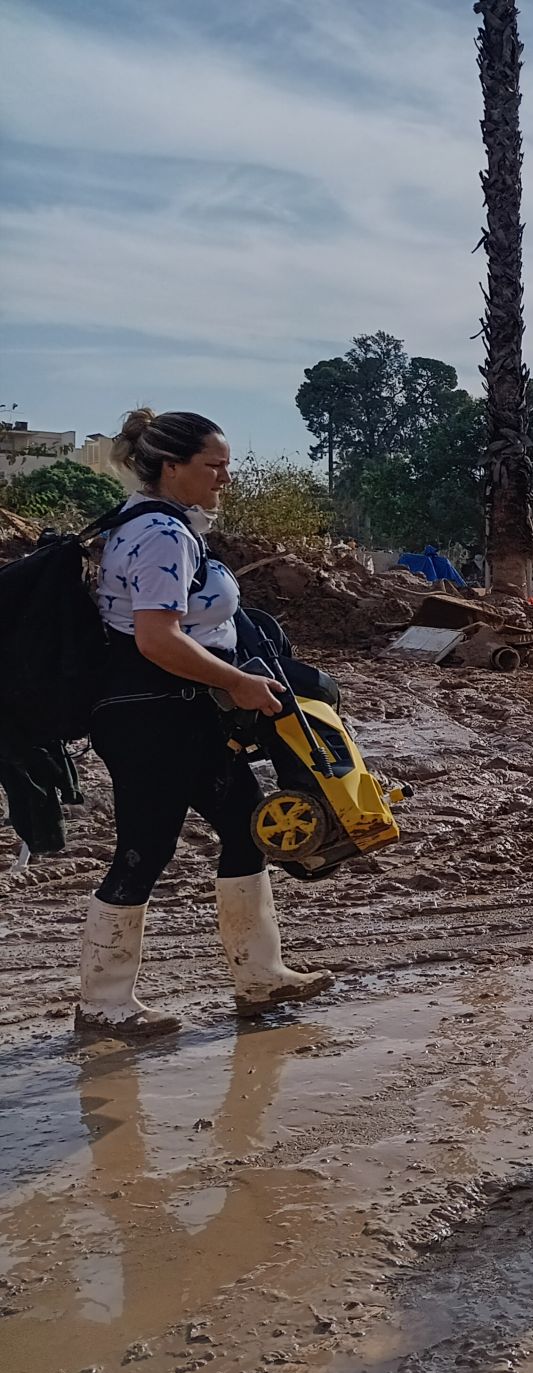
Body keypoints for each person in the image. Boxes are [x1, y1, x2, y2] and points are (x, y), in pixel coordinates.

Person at [74, 409, 333, 1037]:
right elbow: (156, 639)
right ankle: (102, 1005)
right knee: (146, 847)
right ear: (172, 467)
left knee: (247, 827)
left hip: (182, 712)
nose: (225, 479)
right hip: (153, 715)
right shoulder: (162, 533)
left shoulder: (152, 524)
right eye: (214, 467)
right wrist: (237, 683)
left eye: (227, 467)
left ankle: (260, 977)